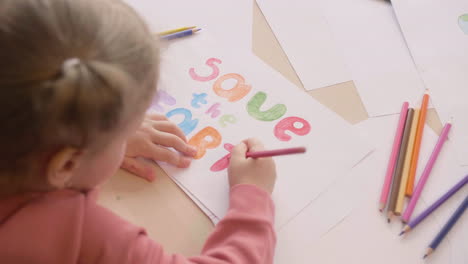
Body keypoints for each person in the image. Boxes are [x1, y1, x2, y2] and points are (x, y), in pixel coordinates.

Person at [0, 0, 277, 263]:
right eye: (123, 135)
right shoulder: (81, 235)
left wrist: (94, 141)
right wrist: (253, 196)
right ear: (67, 163)